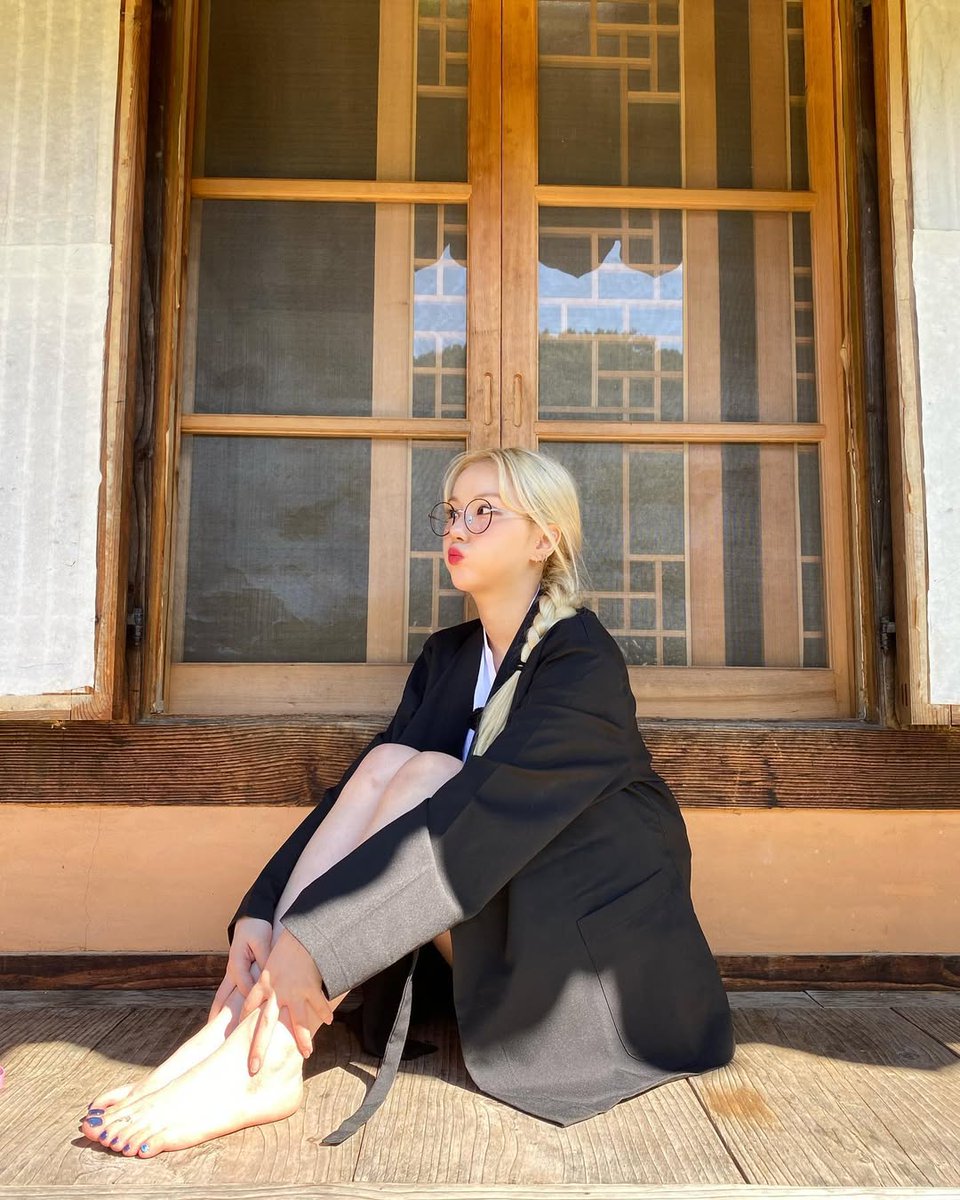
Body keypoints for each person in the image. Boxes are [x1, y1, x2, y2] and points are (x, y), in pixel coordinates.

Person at [79, 447, 735, 1158]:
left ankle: (263, 1056)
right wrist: (267, 911)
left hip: (593, 958)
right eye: (451, 512)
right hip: (489, 911)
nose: (458, 527)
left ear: (543, 539)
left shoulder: (582, 659)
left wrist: (319, 944)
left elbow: (486, 821)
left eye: (484, 512)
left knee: (424, 779)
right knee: (396, 762)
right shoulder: (449, 658)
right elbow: (360, 793)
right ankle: (237, 1037)